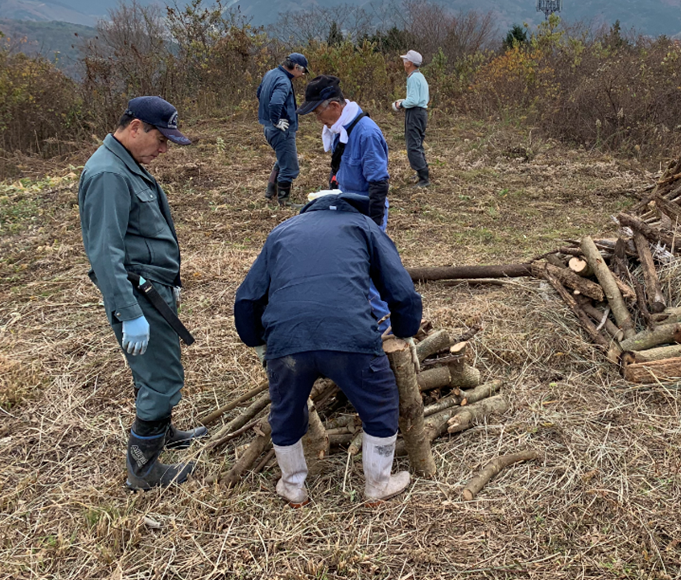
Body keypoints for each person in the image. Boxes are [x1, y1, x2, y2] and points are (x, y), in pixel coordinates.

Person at [233, 191, 423, 507]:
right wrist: (405, 330)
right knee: (380, 402)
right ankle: (378, 485)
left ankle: (292, 487)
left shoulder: (281, 231)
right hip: (350, 337)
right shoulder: (363, 226)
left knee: (285, 410)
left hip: (288, 342)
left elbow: (247, 298)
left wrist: (257, 341)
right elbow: (401, 289)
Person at [78, 96, 206, 491]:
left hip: (153, 289)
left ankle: (163, 432)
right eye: (161, 139)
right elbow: (105, 252)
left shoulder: (125, 164)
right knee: (161, 379)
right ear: (136, 127)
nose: (164, 149)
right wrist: (128, 311)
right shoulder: (109, 174)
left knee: (154, 367)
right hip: (139, 295)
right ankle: (144, 469)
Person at [298, 75, 392, 332]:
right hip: (345, 206)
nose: (317, 118)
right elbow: (339, 169)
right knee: (345, 265)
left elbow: (378, 182)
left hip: (365, 211)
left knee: (363, 269)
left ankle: (386, 328)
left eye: (318, 112)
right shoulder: (340, 130)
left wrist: (372, 227)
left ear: (334, 106)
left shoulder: (366, 133)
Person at [258, 52, 308, 205]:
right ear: (296, 67)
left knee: (283, 159)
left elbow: (259, 93)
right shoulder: (284, 81)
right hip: (281, 130)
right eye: (303, 70)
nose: (303, 74)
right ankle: (284, 201)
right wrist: (276, 120)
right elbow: (275, 103)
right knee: (290, 167)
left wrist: (269, 118)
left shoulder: (270, 74)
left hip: (268, 127)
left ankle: (270, 192)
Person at [391, 50, 430, 188]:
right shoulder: (420, 76)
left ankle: (424, 178)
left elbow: (413, 101)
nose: (403, 63)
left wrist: (400, 104)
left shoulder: (413, 78)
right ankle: (422, 173)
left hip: (414, 114)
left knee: (412, 145)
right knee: (418, 143)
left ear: (410, 63)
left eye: (405, 60)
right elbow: (419, 98)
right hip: (421, 113)